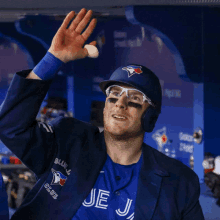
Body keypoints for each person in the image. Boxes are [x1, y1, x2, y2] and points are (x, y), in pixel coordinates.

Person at [0, 8, 205, 220]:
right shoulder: (68, 141)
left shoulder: (178, 182)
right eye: (113, 95)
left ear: (150, 116)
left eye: (134, 99)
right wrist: (53, 60)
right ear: (105, 106)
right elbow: (10, 127)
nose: (120, 104)